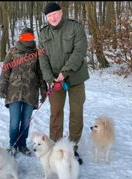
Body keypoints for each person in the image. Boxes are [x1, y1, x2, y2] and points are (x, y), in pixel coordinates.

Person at [39, 2, 89, 164]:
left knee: (76, 113)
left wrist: (64, 73)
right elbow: (42, 57)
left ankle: (71, 149)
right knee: (56, 115)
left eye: (55, 14)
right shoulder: (43, 33)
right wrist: (49, 77)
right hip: (54, 82)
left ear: (61, 12)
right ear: (46, 18)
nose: (52, 18)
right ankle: (56, 148)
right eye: (49, 16)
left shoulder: (75, 28)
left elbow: (79, 51)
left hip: (75, 79)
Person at [0, 27, 47, 156]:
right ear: (20, 37)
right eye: (25, 37)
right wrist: (2, 87)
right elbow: (5, 70)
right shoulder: (13, 52)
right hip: (13, 92)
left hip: (31, 93)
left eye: (29, 37)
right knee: (15, 122)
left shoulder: (37, 53)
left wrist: (44, 91)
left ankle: (22, 144)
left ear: (33, 38)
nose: (27, 39)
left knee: (25, 121)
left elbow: (41, 73)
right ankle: (13, 144)